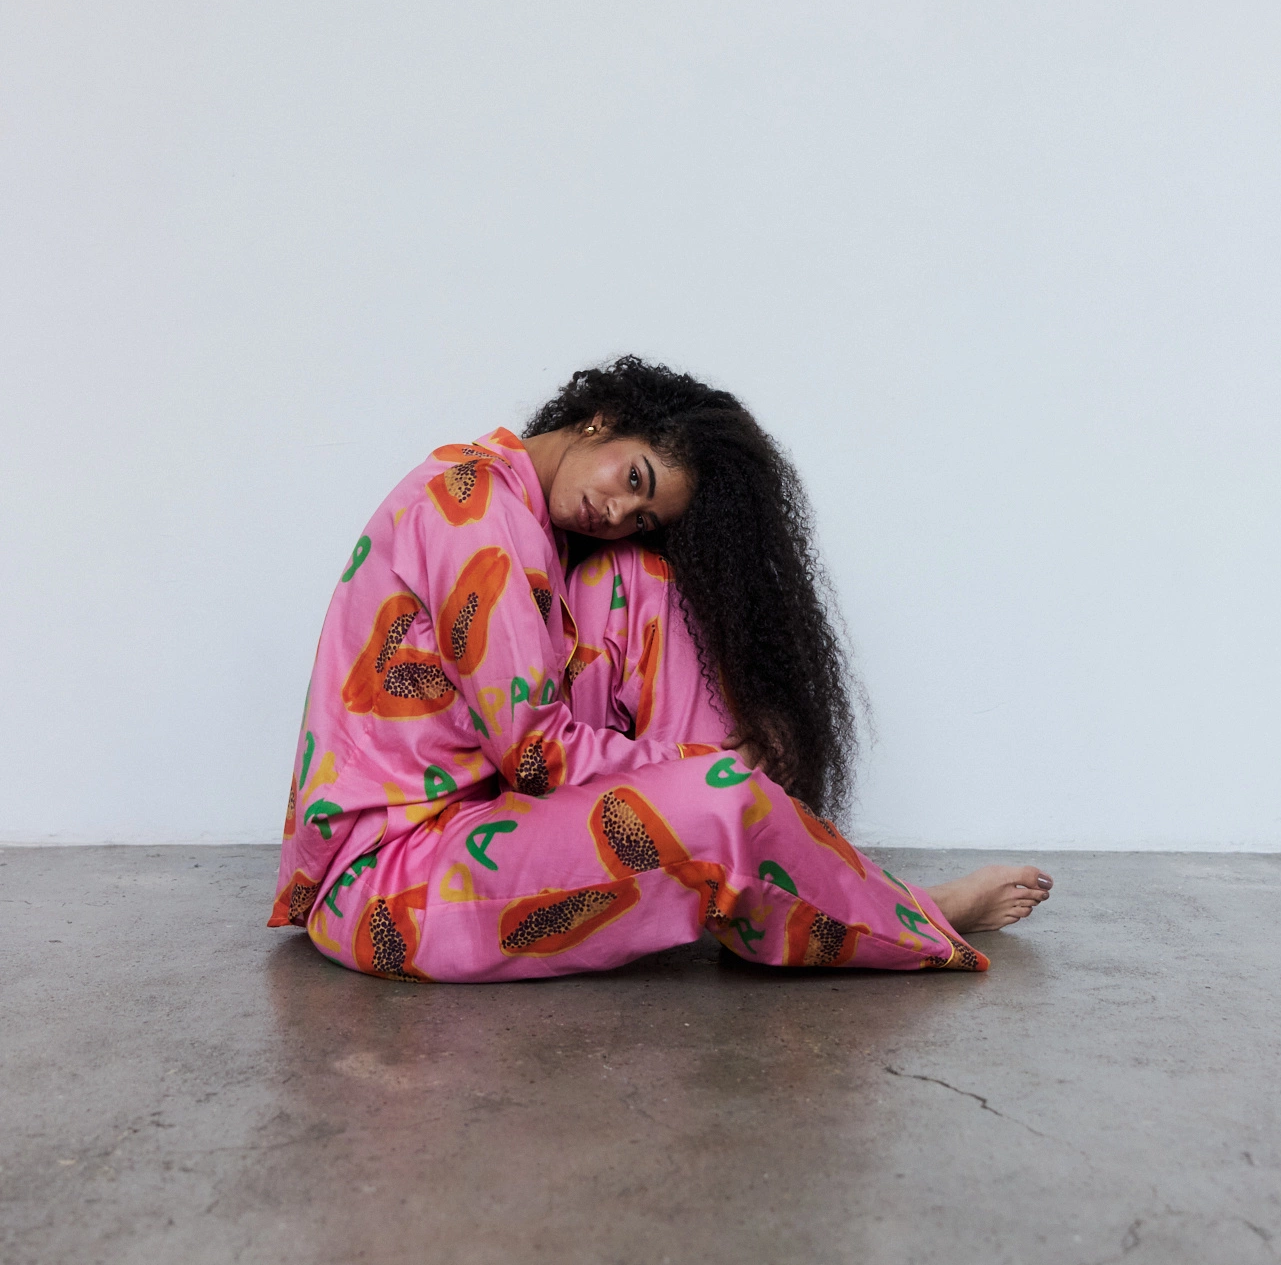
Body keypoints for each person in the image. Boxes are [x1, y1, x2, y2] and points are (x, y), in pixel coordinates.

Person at [269, 357, 1052, 979]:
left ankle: (761, 867)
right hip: (388, 882)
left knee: (639, 579)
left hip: (480, 814)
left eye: (641, 512)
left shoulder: (524, 514)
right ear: (602, 419)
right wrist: (705, 766)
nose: (615, 512)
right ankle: (895, 905)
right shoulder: (472, 510)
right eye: (633, 478)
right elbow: (535, 754)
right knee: (719, 797)